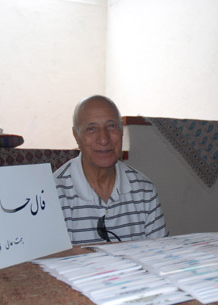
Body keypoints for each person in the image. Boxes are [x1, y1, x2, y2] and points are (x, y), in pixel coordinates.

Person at [53, 95, 168, 244]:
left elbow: (160, 254)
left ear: (121, 130)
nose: (104, 138)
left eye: (111, 126)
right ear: (76, 136)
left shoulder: (144, 190)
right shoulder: (54, 193)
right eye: (91, 128)